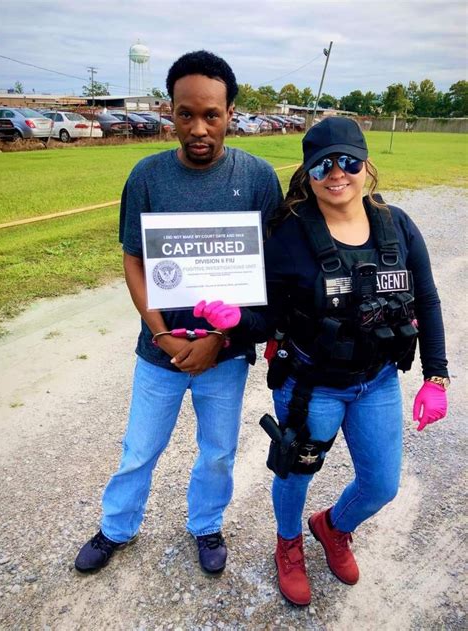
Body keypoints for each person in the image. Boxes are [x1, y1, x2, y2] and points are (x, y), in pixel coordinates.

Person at [197, 117, 449, 605]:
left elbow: (429, 301)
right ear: (309, 170)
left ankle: (333, 528)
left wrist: (435, 375)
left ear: (366, 165)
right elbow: (265, 320)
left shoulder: (397, 225)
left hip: (376, 381)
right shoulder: (288, 238)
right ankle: (288, 543)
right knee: (296, 473)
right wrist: (231, 323)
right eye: (323, 164)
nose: (337, 173)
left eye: (349, 161)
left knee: (381, 484)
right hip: (311, 386)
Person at [74, 50, 282, 576]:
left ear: (231, 112)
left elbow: (272, 274)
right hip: (157, 351)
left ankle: (206, 524)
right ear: (169, 111)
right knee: (139, 449)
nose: (198, 128)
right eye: (185, 113)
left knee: (217, 451)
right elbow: (133, 259)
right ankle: (116, 527)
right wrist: (161, 333)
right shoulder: (146, 176)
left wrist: (222, 342)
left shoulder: (257, 178)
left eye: (211, 114)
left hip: (225, 355)